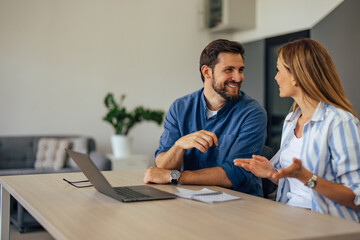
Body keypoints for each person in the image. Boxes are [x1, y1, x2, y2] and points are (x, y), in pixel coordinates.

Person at [234, 38, 360, 222]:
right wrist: (271, 173)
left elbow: (356, 197)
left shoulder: (340, 122)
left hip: (327, 225)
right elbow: (295, 186)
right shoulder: (292, 119)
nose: (276, 77)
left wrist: (307, 177)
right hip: (289, 217)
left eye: (279, 70)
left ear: (295, 76)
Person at [143, 39, 267, 196]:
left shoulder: (252, 113)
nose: (238, 77)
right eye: (229, 70)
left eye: (240, 70)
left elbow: (236, 174)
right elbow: (162, 166)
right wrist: (179, 146)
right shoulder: (180, 107)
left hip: (239, 204)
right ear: (207, 72)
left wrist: (176, 177)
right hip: (190, 199)